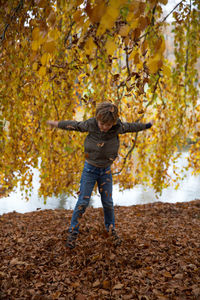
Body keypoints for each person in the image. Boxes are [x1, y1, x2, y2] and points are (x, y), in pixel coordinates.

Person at [47, 102, 153, 248]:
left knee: (108, 203)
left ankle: (111, 230)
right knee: (83, 202)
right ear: (97, 119)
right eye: (102, 123)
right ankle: (73, 232)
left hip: (105, 171)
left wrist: (146, 125)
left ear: (113, 122)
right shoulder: (91, 124)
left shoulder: (117, 127)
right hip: (90, 169)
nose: (104, 127)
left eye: (108, 124)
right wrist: (56, 124)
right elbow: (74, 125)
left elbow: (131, 127)